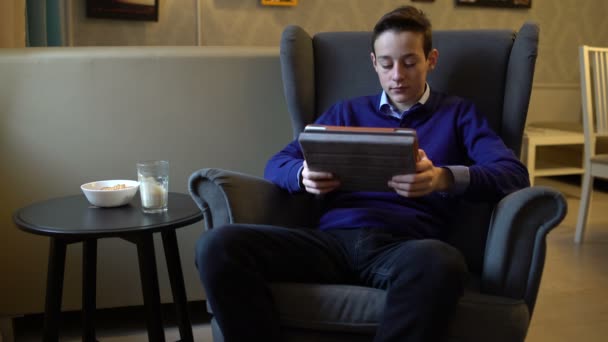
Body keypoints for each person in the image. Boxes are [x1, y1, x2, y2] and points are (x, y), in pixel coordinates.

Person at [195, 5, 529, 342]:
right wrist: (301, 174)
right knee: (217, 245)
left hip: (405, 247)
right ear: (373, 63)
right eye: (386, 64)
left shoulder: (458, 114)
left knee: (442, 263)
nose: (397, 74)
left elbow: (512, 173)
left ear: (431, 60)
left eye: (410, 62)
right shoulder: (346, 111)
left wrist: (444, 178)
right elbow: (277, 162)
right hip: (331, 242)